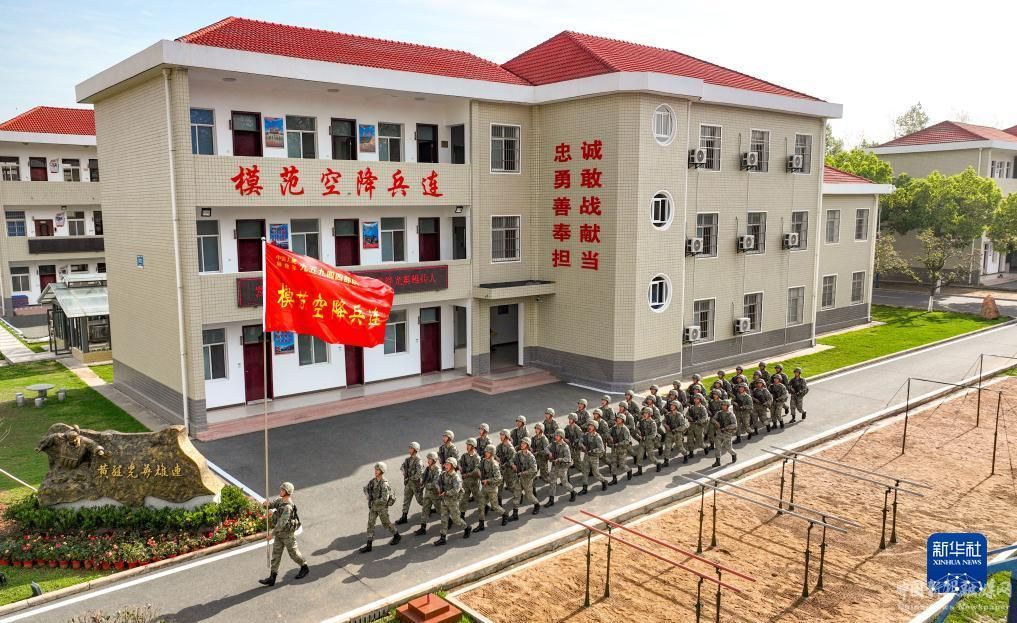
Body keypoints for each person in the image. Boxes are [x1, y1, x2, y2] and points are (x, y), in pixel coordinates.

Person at [259, 482, 309, 586]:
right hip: (279, 534)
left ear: (288, 492)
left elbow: (281, 523)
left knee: (293, 553)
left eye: (283, 490)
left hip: (287, 534)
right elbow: (271, 505)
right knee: (276, 555)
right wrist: (266, 505)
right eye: (281, 489)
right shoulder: (280, 500)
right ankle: (272, 577)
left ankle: (304, 566)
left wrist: (271, 534)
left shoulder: (288, 507)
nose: (280, 491)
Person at [359, 463, 400, 554]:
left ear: (382, 471)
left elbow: (384, 499)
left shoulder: (384, 484)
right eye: (375, 469)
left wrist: (374, 501)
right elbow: (366, 488)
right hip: (373, 507)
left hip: (382, 508)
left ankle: (397, 535)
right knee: (370, 524)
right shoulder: (373, 481)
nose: (375, 471)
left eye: (377, 470)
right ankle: (369, 545)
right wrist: (368, 495)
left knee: (386, 524)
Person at [435, 457, 471, 546]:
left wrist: (446, 493)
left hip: (453, 502)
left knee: (456, 520)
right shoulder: (443, 474)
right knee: (444, 519)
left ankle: (467, 528)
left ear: (453, 466)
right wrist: (438, 487)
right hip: (444, 500)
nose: (445, 466)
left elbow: (456, 490)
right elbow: (437, 482)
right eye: (445, 464)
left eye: (448, 464)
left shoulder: (456, 478)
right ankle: (443, 538)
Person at [509, 437, 540, 519]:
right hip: (519, 478)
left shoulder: (530, 456)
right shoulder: (518, 454)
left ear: (528, 445)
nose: (522, 445)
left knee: (529, 496)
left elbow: (534, 469)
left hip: (527, 479)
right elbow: (511, 460)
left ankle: (537, 505)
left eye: (524, 443)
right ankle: (515, 514)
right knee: (516, 495)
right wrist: (513, 465)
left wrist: (523, 472)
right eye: (521, 443)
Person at [478, 445, 507, 529]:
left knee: (494, 506)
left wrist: (487, 481)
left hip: (492, 489)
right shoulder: (483, 461)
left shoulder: (494, 464)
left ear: (492, 453)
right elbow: (478, 467)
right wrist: (477, 471)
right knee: (481, 505)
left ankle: (505, 515)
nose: (486, 453)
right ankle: (481, 525)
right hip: (484, 488)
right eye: (486, 452)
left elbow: (498, 479)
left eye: (488, 452)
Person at [414, 452, 441, 536]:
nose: (428, 460)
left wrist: (425, 484)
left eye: (430, 459)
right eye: (428, 459)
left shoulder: (438, 470)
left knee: (440, 510)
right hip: (428, 493)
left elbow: (435, 483)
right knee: (425, 510)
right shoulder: (428, 469)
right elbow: (424, 478)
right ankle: (423, 528)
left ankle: (449, 521)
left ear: (434, 460)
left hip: (435, 494)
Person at [396, 442, 423, 525]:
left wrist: (410, 478)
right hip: (408, 483)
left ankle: (429, 507)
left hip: (416, 484)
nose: (409, 450)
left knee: (420, 501)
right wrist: (404, 471)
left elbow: (419, 474)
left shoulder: (418, 461)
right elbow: (402, 466)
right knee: (406, 500)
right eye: (409, 448)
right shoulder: (407, 459)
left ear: (415, 450)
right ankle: (404, 516)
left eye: (411, 448)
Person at [547, 430, 575, 506]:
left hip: (562, 467)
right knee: (552, 482)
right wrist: (549, 453)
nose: (555, 437)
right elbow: (546, 448)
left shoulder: (565, 447)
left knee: (564, 482)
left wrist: (559, 459)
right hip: (555, 466)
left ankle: (572, 492)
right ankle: (551, 500)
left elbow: (568, 459)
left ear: (561, 436)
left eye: (557, 436)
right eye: (555, 435)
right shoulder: (553, 444)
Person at [582, 420, 610, 491]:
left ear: (595, 427)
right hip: (586, 456)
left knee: (596, 473)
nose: (589, 427)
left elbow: (601, 449)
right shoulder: (586, 435)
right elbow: (580, 441)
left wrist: (592, 450)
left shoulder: (597, 437)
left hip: (594, 457)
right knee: (585, 472)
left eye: (591, 426)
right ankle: (584, 488)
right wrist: (582, 445)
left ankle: (604, 481)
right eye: (589, 425)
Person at [634, 407, 662, 474]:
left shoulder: (653, 423)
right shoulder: (642, 421)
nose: (644, 414)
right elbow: (636, 428)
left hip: (649, 442)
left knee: (651, 457)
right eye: (644, 413)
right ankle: (639, 471)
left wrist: (645, 437)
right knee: (639, 456)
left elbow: (653, 434)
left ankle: (658, 463)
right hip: (642, 441)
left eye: (646, 413)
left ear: (650, 414)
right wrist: (639, 434)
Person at [459, 439, 483, 520]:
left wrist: (467, 475)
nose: (467, 446)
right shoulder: (464, 455)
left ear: (473, 446)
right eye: (467, 445)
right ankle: (462, 515)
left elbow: (476, 471)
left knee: (478, 499)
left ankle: (484, 510)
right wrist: (459, 466)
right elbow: (459, 462)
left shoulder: (477, 458)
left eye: (469, 445)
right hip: (465, 482)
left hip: (473, 482)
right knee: (463, 498)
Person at [607, 413, 633, 484]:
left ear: (623, 420)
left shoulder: (625, 429)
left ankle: (629, 470)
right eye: (617, 418)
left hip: (622, 449)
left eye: (620, 419)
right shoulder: (613, 428)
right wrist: (610, 437)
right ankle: (614, 479)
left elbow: (627, 441)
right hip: (614, 449)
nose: (618, 420)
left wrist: (618, 443)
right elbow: (607, 433)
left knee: (622, 465)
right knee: (613, 464)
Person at [662, 400, 690, 465]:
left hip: (677, 434)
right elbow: (663, 421)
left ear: (676, 407)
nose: (671, 406)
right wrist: (666, 425)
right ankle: (666, 461)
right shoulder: (668, 415)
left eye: (673, 405)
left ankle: (685, 455)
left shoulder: (679, 415)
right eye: (671, 405)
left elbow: (684, 426)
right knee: (667, 448)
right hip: (669, 434)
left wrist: (676, 429)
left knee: (680, 448)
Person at [711, 402, 738, 467]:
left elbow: (734, 425)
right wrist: (716, 422)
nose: (723, 406)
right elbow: (713, 419)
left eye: (724, 405)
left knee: (728, 447)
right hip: (719, 432)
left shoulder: (731, 414)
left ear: (727, 406)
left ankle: (734, 454)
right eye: (722, 405)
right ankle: (718, 461)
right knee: (717, 447)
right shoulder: (719, 413)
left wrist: (726, 428)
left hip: (727, 433)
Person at [495, 429, 516, 508]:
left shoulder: (511, 448)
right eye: (500, 435)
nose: (500, 437)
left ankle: (518, 495)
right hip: (501, 470)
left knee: (511, 487)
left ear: (507, 436)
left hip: (509, 471)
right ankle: (499, 503)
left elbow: (513, 460)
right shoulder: (499, 446)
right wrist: (496, 458)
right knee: (499, 487)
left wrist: (505, 463)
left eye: (502, 435)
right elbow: (495, 454)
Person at [563, 413, 585, 486]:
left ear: (574, 420)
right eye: (569, 419)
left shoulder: (577, 428)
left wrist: (575, 441)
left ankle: (585, 474)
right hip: (569, 448)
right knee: (566, 463)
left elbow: (581, 437)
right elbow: (563, 434)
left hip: (575, 448)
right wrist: (564, 438)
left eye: (571, 419)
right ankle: (566, 480)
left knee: (578, 464)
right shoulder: (567, 427)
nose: (569, 420)